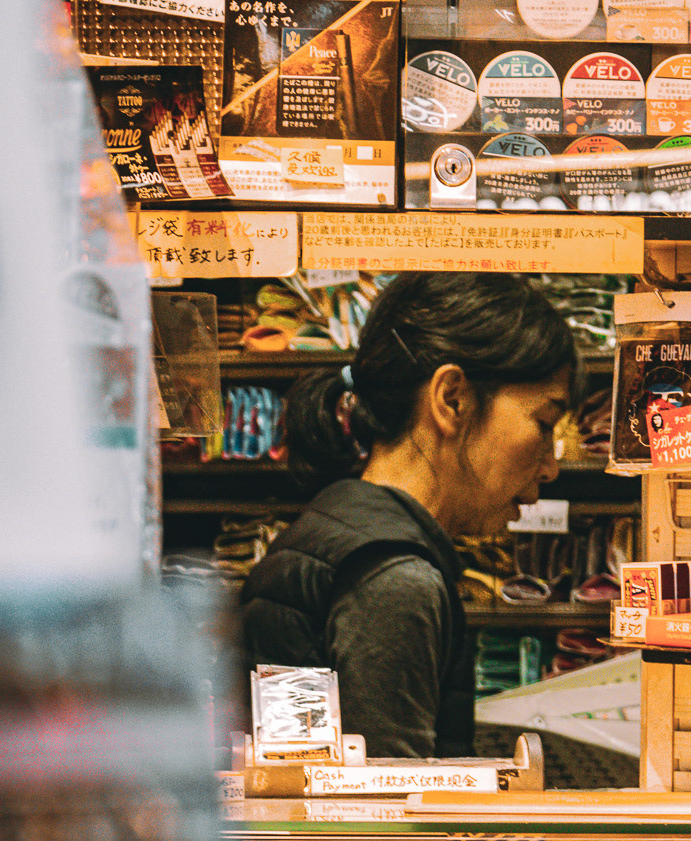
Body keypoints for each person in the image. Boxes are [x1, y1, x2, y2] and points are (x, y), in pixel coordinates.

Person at [240, 274, 579, 758]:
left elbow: (305, 779)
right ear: (452, 399)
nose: (550, 467)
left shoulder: (333, 531)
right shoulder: (394, 580)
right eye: (543, 423)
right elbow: (390, 818)